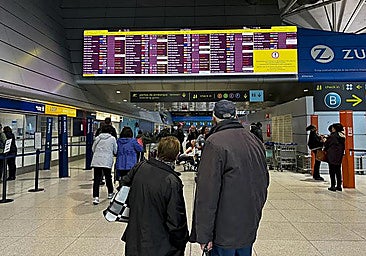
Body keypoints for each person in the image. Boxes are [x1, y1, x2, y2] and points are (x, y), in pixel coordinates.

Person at [190, 100, 269, 256]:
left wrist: (204, 234)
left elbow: (207, 193)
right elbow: (264, 181)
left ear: (214, 116)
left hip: (223, 231)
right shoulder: (254, 141)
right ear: (236, 115)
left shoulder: (214, 142)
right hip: (248, 225)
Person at [121, 136, 189, 256]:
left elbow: (124, 186)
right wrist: (181, 241)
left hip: (135, 238)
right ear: (177, 155)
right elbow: (176, 221)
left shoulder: (140, 167)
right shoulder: (172, 181)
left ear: (158, 151)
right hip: (160, 246)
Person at [91, 125, 117, 205]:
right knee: (108, 177)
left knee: (97, 179)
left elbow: (93, 149)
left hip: (97, 160)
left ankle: (96, 197)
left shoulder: (98, 138)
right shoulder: (112, 139)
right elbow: (115, 151)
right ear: (110, 131)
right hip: (107, 160)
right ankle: (110, 193)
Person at [324, 123, 345, 192]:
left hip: (332, 155)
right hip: (339, 155)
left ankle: (333, 185)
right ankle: (339, 186)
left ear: (335, 128)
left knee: (332, 171)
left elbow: (327, 144)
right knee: (338, 171)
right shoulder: (342, 136)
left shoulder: (332, 136)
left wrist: (324, 141)